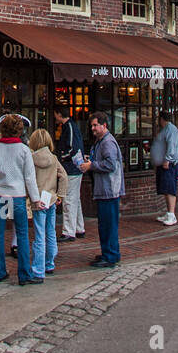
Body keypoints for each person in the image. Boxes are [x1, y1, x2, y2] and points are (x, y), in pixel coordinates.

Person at [0, 114, 44, 285]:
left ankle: (0, 271)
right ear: (20, 130)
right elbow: (30, 178)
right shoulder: (24, 150)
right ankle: (24, 274)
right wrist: (36, 199)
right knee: (23, 234)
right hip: (17, 197)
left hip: (1, 195)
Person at [80, 112, 124, 267]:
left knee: (108, 225)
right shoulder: (100, 142)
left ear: (104, 125)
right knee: (105, 224)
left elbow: (111, 164)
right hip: (104, 189)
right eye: (91, 125)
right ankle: (110, 252)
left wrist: (92, 165)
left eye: (95, 125)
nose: (92, 128)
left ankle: (110, 256)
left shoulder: (107, 143)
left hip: (109, 190)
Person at [27, 127, 68, 278]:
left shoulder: (31, 158)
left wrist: (29, 196)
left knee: (39, 234)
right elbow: (64, 176)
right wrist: (60, 196)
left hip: (38, 199)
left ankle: (38, 268)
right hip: (50, 198)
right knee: (51, 231)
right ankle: (50, 263)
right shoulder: (54, 159)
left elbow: (29, 179)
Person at [54, 107, 87, 241]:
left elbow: (74, 148)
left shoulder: (70, 127)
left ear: (60, 113)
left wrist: (62, 158)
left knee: (68, 199)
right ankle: (79, 228)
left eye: (55, 114)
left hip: (71, 169)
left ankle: (68, 232)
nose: (55, 117)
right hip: (74, 168)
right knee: (75, 199)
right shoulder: (69, 126)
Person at [150, 111, 178, 226]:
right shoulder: (166, 129)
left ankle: (172, 215)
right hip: (165, 163)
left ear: (162, 119)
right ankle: (168, 212)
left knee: (169, 188)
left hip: (171, 163)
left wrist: (167, 159)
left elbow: (171, 145)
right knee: (166, 188)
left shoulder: (171, 129)